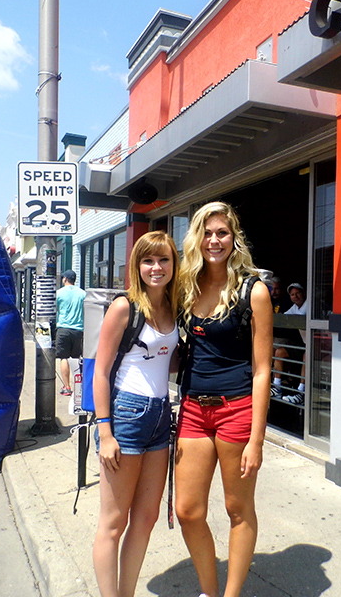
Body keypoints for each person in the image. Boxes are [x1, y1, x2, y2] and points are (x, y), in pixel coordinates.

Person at [175, 201, 273, 597]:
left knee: (237, 509)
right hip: (193, 411)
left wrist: (257, 439)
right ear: (197, 238)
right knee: (188, 510)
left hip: (237, 411)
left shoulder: (255, 291)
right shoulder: (186, 286)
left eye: (222, 233)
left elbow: (263, 369)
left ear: (234, 239)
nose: (214, 240)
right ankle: (209, 591)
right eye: (208, 232)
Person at [91, 231, 180, 597]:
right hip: (126, 415)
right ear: (137, 265)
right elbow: (100, 369)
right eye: (148, 260)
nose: (156, 268)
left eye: (164, 260)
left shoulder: (174, 307)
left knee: (146, 518)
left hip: (161, 415)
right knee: (113, 522)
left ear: (175, 264)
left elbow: (169, 361)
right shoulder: (124, 306)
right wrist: (105, 431)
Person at [55, 269, 86, 396]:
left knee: (64, 358)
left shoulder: (58, 293)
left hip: (63, 328)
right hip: (78, 329)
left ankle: (67, 386)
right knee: (76, 359)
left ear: (65, 279)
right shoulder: (83, 294)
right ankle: (78, 387)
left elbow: (54, 309)